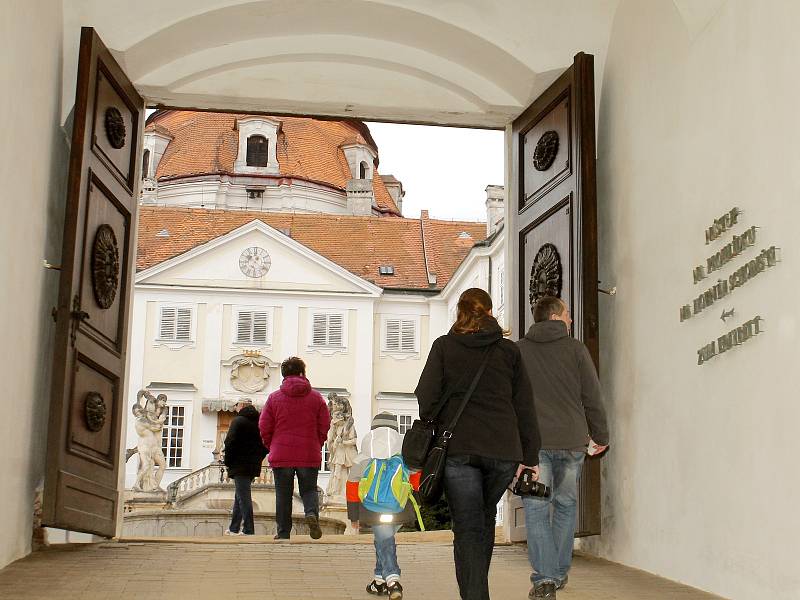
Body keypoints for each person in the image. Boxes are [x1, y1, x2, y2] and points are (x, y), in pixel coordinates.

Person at [415, 288, 541, 600]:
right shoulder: (509, 351)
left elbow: (426, 398)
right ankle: (477, 592)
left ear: (459, 312)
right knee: (482, 521)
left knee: (468, 527)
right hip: (502, 451)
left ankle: (475, 595)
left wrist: (442, 415)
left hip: (460, 450)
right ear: (489, 312)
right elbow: (524, 405)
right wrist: (531, 456)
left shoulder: (444, 347)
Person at [516, 296, 609, 600]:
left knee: (536, 508)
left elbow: (509, 401)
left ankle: (545, 579)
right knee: (566, 506)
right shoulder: (576, 349)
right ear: (556, 317)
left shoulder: (519, 351)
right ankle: (556, 574)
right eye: (567, 314)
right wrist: (601, 435)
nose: (570, 319)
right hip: (571, 442)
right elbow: (592, 397)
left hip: (535, 444)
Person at [347, 412, 421, 600]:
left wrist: (354, 515)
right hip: (399, 508)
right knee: (383, 539)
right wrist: (417, 504)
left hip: (372, 509)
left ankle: (393, 580)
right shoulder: (404, 454)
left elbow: (352, 485)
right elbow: (416, 480)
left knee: (384, 540)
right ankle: (378, 581)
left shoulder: (363, 455)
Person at [259, 356, 331, 540]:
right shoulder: (316, 398)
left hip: (281, 454)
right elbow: (325, 424)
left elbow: (264, 426)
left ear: (284, 375)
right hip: (308, 452)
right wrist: (318, 441)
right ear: (302, 373)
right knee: (308, 490)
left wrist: (271, 446)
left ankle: (283, 532)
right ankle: (311, 514)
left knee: (283, 494)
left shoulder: (274, 398)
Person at [223, 403, 267, 535]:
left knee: (244, 497)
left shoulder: (238, 421)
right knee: (240, 496)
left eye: (236, 405)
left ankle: (248, 529)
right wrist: (257, 458)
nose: (234, 407)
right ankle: (234, 528)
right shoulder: (259, 423)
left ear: (241, 406)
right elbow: (266, 445)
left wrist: (228, 461)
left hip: (239, 464)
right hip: (252, 465)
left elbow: (229, 441)